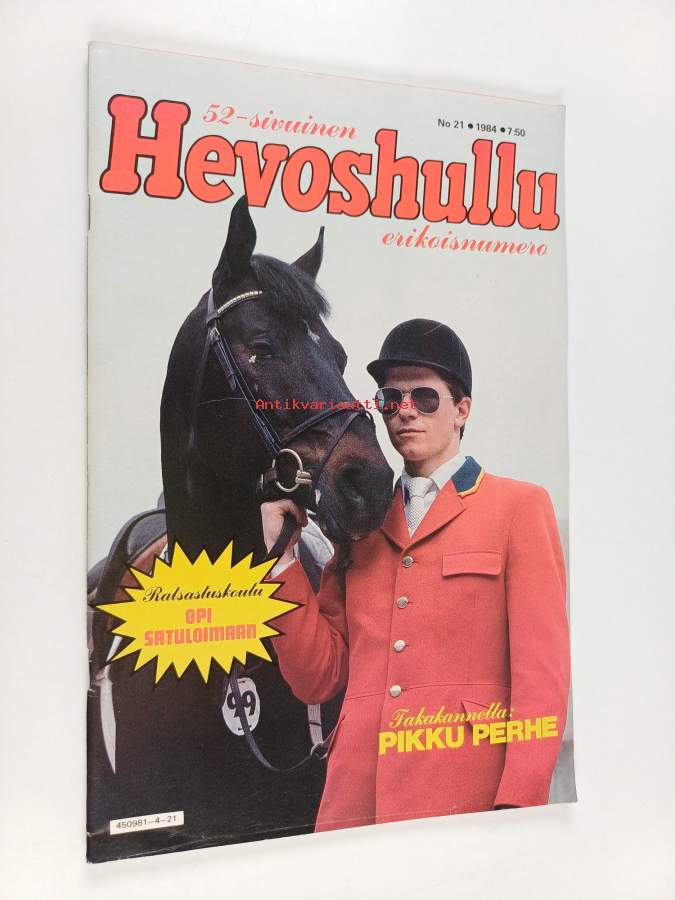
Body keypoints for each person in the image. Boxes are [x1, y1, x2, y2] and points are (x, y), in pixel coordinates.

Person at [261, 318, 570, 831]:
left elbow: (542, 678)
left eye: (424, 398)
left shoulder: (518, 508)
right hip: (353, 807)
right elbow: (318, 677)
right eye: (390, 399)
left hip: (467, 801)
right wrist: (283, 559)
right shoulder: (361, 523)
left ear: (461, 411)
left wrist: (519, 808)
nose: (404, 411)